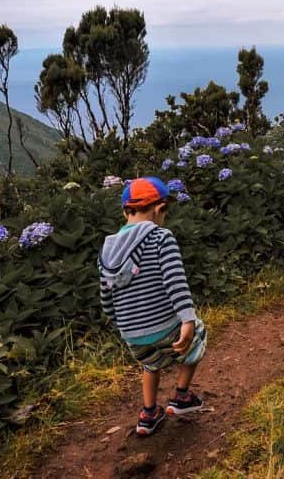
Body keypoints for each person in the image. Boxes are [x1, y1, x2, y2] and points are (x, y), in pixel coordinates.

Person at [98, 176, 207, 436]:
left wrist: (121, 323)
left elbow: (106, 298)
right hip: (165, 327)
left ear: (126, 210)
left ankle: (148, 415)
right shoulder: (160, 237)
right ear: (160, 209)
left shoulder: (107, 247)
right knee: (198, 337)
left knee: (151, 363)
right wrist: (188, 320)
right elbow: (175, 281)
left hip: (131, 335)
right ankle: (181, 397)